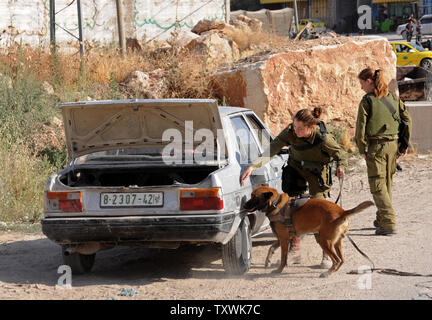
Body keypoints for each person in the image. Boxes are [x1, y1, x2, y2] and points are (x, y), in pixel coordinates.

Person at [241, 107, 347, 268]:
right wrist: (253, 166)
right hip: (296, 169)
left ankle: (326, 253)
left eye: (300, 128)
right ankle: (295, 250)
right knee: (290, 209)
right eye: (294, 126)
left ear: (310, 128)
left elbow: (341, 154)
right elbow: (274, 147)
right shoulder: (291, 131)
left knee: (319, 211)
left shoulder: (323, 139)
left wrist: (341, 167)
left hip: (316, 173)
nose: (295, 130)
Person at [356, 68, 412, 236]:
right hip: (393, 146)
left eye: (361, 84)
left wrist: (362, 148)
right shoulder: (393, 97)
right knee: (386, 183)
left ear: (368, 81)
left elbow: (360, 129)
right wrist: (404, 145)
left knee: (378, 184)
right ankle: (381, 218)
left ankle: (388, 223)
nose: (361, 88)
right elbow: (407, 120)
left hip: (376, 147)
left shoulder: (367, 100)